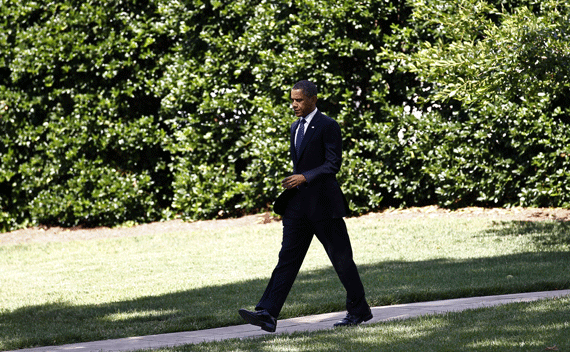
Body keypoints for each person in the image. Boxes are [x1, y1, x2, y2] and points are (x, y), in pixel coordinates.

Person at [238, 80, 372, 332]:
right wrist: (296, 180)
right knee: (287, 259)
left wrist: (305, 177)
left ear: (312, 99)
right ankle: (267, 313)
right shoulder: (294, 128)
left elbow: (333, 164)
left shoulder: (328, 126)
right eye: (292, 100)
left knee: (342, 260)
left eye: (298, 100)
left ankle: (359, 310)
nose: (294, 105)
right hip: (298, 208)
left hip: (324, 207)